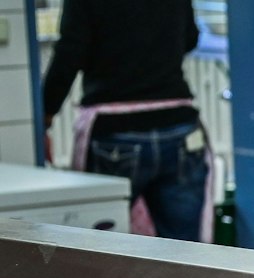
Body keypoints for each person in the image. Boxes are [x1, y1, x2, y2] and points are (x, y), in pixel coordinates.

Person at [41, 0, 213, 240]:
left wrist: (45, 119)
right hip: (178, 128)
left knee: (107, 249)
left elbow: (70, 52)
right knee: (186, 253)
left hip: (114, 132)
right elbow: (190, 38)